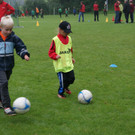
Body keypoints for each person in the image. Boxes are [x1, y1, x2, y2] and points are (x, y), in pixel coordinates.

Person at [0, 16, 30, 115]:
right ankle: (7, 106)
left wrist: (24, 54)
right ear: (1, 27)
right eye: (6, 30)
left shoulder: (13, 38)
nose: (9, 32)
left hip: (8, 66)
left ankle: (1, 101)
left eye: (11, 29)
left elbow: (20, 47)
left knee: (3, 84)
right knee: (3, 83)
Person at [48, 21, 75, 99]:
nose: (67, 34)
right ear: (60, 30)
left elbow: (70, 49)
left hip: (68, 64)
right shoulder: (55, 40)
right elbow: (50, 52)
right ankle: (60, 93)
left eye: (68, 32)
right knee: (63, 82)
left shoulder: (69, 38)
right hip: (60, 66)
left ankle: (66, 87)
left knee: (72, 79)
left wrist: (72, 57)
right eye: (65, 32)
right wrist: (55, 56)